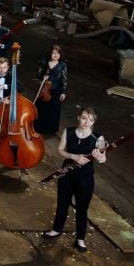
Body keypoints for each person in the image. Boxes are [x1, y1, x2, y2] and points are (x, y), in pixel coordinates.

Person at [41, 108, 106, 252]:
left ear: (93, 122)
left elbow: (103, 158)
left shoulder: (98, 138)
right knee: (62, 204)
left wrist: (99, 157)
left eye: (90, 120)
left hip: (85, 178)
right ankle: (56, 229)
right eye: (84, 118)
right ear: (78, 117)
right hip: (67, 174)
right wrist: (73, 156)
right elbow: (60, 150)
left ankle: (80, 238)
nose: (86, 122)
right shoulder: (68, 131)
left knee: (82, 208)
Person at [34, 45, 68, 135]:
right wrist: (43, 77)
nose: (56, 55)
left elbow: (64, 79)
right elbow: (38, 75)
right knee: (41, 108)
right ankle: (38, 127)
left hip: (56, 90)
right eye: (53, 53)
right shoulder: (44, 63)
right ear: (50, 54)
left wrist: (63, 92)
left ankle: (49, 130)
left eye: (58, 53)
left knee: (53, 110)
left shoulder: (62, 65)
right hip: (45, 89)